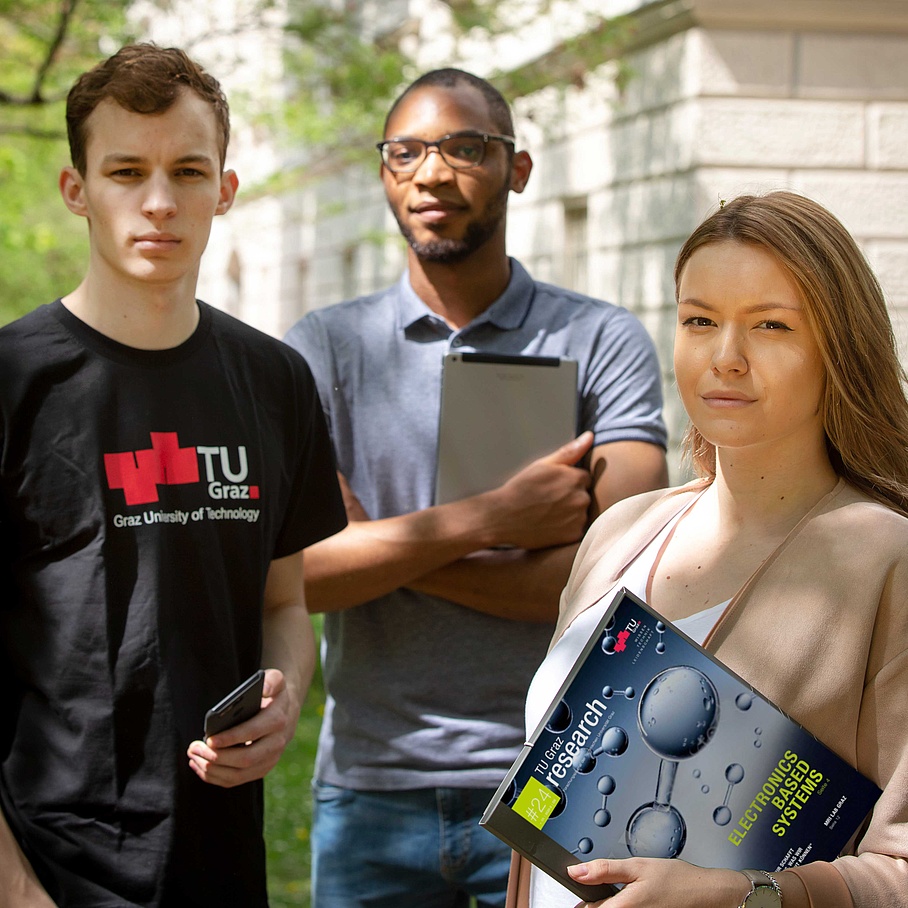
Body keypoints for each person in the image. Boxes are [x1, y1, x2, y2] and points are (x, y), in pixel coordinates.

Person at [283, 68, 668, 908]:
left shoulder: (601, 339)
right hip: (371, 787)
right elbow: (301, 576)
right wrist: (495, 519)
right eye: (407, 152)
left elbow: (620, 585)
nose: (431, 172)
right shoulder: (326, 349)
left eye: (465, 148)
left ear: (517, 169)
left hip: (562, 777)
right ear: (385, 173)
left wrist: (378, 543)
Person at [0, 44, 346, 907]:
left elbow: (283, 606)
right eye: (126, 171)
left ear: (224, 190)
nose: (159, 202)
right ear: (76, 189)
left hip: (220, 861)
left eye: (188, 170)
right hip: (46, 867)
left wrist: (285, 698)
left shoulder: (275, 381)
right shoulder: (12, 383)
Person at [509, 191, 908, 908]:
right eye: (700, 320)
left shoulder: (887, 561)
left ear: (839, 349)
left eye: (771, 325)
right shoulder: (620, 532)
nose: (726, 357)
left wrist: (743, 894)